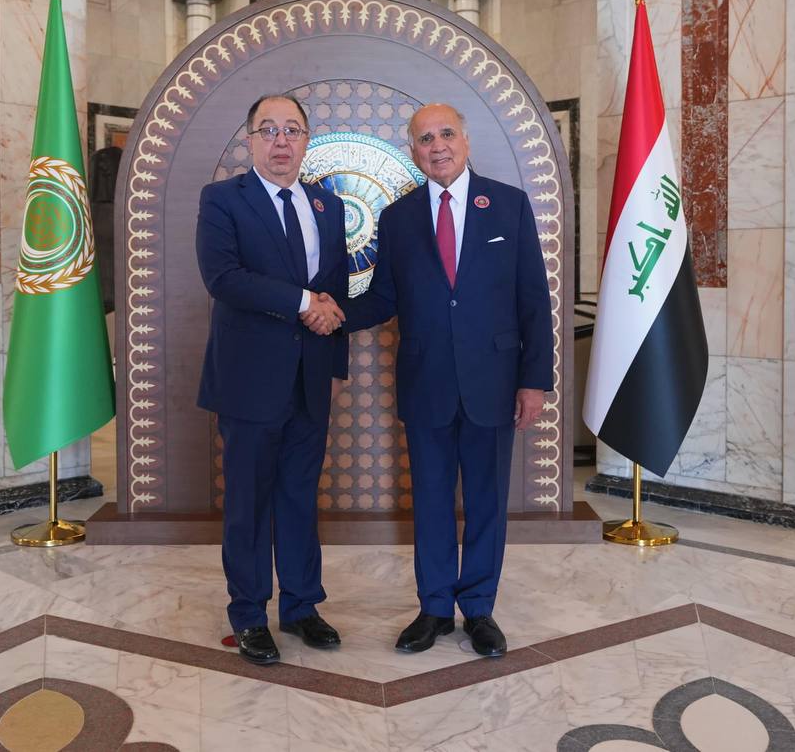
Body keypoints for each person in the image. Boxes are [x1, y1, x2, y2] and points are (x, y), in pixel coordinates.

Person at [306, 103, 553, 658]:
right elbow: (385, 298)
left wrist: (534, 381)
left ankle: (480, 609)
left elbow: (533, 299)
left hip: (494, 380)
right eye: (424, 139)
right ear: (414, 152)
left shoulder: (508, 205)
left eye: (446, 134)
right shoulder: (399, 218)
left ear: (465, 140)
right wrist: (332, 311)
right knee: (433, 501)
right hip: (426, 381)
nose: (437, 145)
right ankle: (435, 608)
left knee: (487, 501)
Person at [196, 93, 349, 665]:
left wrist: (335, 366)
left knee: (300, 498)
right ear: (251, 139)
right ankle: (249, 614)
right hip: (248, 379)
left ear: (307, 140)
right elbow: (223, 278)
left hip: (312, 378)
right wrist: (303, 301)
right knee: (249, 503)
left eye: (292, 130)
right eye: (269, 129)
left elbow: (337, 291)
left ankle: (302, 606)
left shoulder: (328, 204)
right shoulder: (222, 199)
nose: (281, 140)